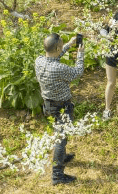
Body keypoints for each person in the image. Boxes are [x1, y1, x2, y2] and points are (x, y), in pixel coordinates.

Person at [34, 33, 85, 185]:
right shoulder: (59, 68)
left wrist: (69, 44)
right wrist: (80, 55)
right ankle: (57, 176)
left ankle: (61, 157)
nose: (62, 47)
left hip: (48, 105)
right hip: (62, 107)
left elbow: (54, 57)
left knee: (60, 134)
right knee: (60, 140)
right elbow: (77, 73)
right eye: (61, 46)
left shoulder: (39, 61)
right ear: (57, 47)